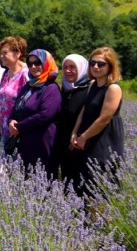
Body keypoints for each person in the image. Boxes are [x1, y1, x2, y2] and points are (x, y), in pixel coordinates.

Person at [69, 47, 124, 197]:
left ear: (110, 66)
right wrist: (75, 133)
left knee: (100, 183)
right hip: (86, 135)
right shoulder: (92, 85)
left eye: (101, 64)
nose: (95, 67)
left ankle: (101, 219)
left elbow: (104, 118)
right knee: (83, 181)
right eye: (92, 63)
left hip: (104, 140)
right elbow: (84, 111)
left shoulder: (113, 88)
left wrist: (83, 137)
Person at [8, 49, 62, 177]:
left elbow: (45, 115)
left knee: (43, 179)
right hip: (26, 142)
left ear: (46, 63)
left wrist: (19, 127)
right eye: (30, 63)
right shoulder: (29, 85)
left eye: (37, 63)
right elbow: (17, 107)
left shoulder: (51, 88)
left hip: (42, 142)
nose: (33, 66)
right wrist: (11, 121)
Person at [55, 54, 89, 183]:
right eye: (65, 67)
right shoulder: (64, 90)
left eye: (72, 67)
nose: (68, 71)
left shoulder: (87, 91)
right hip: (63, 144)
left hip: (78, 145)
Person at [0, 36, 28, 143]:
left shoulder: (26, 74)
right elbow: (1, 102)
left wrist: (18, 125)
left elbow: (29, 104)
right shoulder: (6, 74)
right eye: (1, 53)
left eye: (5, 53)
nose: (1, 56)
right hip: (4, 131)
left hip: (18, 132)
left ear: (17, 54)